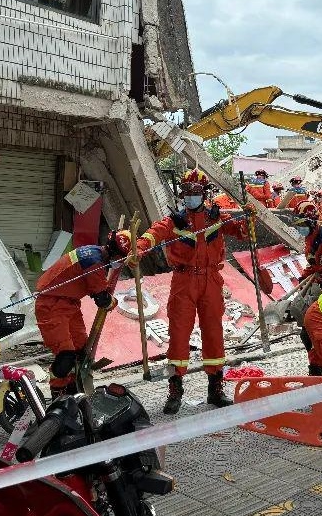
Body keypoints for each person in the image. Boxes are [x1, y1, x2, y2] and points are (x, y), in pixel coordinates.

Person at [132, 168, 252, 414]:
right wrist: (138, 249)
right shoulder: (173, 222)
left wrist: (250, 217)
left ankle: (215, 389)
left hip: (211, 280)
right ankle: (175, 390)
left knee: (214, 332)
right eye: (186, 192)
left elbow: (242, 232)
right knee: (178, 333)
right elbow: (152, 235)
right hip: (183, 282)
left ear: (204, 193)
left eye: (195, 192)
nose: (189, 197)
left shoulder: (217, 218)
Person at [37, 230, 131, 398]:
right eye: (122, 259)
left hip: (69, 304)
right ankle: (58, 395)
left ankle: (73, 391)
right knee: (66, 356)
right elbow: (102, 300)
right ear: (116, 254)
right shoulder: (94, 263)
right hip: (51, 305)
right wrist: (113, 302)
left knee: (81, 351)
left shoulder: (94, 252)